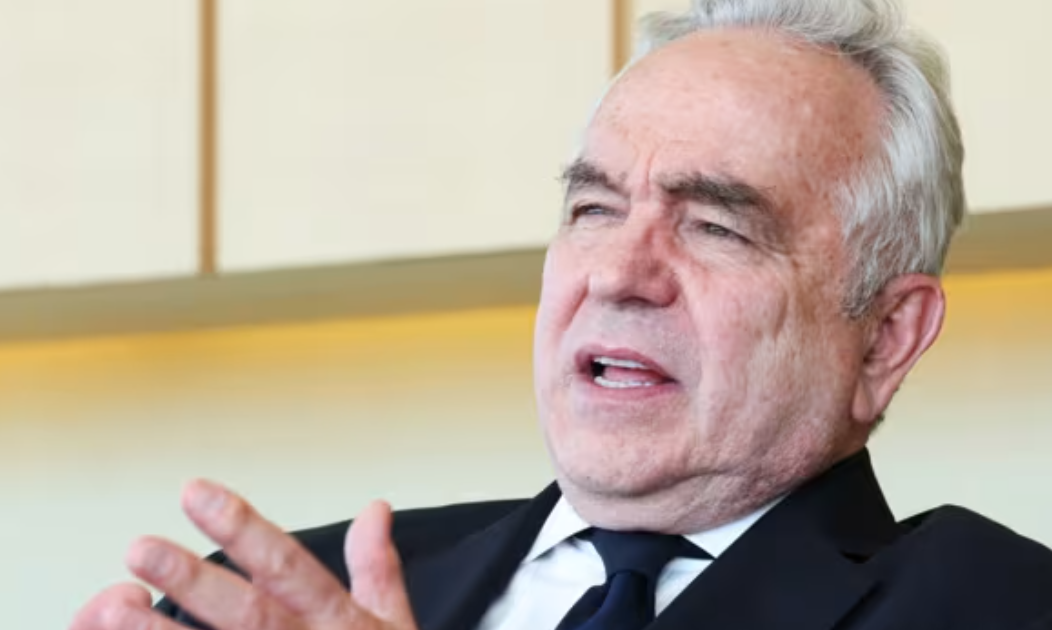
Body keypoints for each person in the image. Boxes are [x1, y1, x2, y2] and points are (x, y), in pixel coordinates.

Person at [70, 1, 1052, 629]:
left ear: (884, 337)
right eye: (592, 208)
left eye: (715, 226)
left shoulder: (995, 602)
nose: (619, 273)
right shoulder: (279, 599)